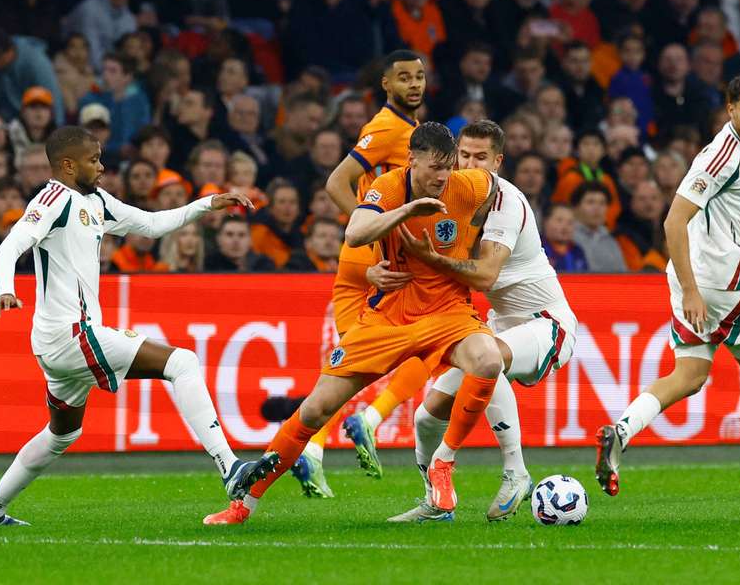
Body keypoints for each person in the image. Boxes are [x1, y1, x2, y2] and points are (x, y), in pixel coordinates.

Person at [0, 126, 275, 527]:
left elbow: (151, 224)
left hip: (58, 343)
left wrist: (207, 203)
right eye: (93, 160)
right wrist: (4, 289)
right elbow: (9, 246)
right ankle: (230, 468)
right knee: (181, 363)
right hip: (70, 334)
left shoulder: (96, 201)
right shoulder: (52, 199)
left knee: (62, 434)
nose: (102, 166)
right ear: (67, 164)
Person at [203, 122, 501, 525]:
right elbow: (356, 231)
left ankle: (443, 464)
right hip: (387, 319)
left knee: (487, 361)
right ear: (412, 160)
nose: (443, 176)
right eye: (434, 167)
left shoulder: (470, 185)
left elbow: (506, 198)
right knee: (314, 410)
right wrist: (408, 211)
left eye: (448, 167)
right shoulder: (391, 188)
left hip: (447, 313)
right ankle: (244, 505)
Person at [595, 73, 740, 499]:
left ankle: (621, 430)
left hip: (692, 276)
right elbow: (673, 220)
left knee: (691, 373)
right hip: (722, 281)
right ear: (729, 109)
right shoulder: (720, 155)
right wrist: (694, 291)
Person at [388, 119, 577, 522]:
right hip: (500, 326)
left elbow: (486, 275)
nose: (471, 164)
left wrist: (433, 259)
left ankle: (515, 471)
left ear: (499, 161)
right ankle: (436, 503)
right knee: (426, 416)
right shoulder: (453, 197)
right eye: (464, 156)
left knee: (488, 357)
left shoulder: (508, 202)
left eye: (481, 157)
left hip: (547, 324)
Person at [286, 50, 431, 498]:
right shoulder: (388, 127)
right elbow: (336, 181)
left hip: (359, 265)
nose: (414, 84)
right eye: (403, 77)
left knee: (349, 369)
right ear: (385, 84)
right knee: (431, 346)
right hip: (376, 262)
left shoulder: (410, 131)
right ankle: (371, 417)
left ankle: (311, 449)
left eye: (419, 76)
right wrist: (368, 229)